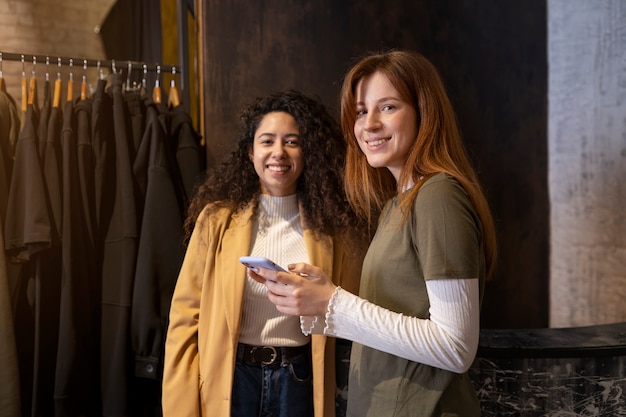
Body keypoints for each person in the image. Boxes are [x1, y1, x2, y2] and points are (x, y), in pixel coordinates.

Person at [251, 50, 498, 417]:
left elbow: (455, 347)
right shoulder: (397, 202)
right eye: (362, 111)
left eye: (388, 107)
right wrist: (320, 298)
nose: (368, 125)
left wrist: (333, 302)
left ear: (424, 113)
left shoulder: (438, 196)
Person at [162, 90, 366, 417]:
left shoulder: (333, 231)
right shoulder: (216, 221)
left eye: (292, 142)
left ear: (306, 152)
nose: (279, 152)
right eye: (267, 141)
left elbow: (351, 311)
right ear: (250, 152)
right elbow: (184, 321)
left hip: (299, 380)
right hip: (230, 377)